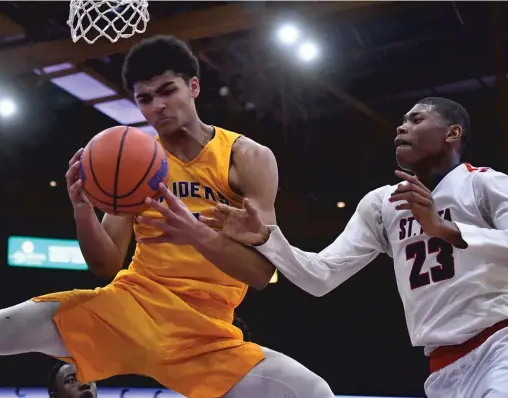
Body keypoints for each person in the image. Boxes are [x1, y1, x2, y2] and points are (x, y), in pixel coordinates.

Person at [0, 35, 334, 398]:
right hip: (131, 308)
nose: (157, 106)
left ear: (193, 86)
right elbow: (105, 264)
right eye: (144, 98)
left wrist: (194, 232)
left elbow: (262, 274)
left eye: (167, 91)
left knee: (313, 392)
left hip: (206, 332)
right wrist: (83, 210)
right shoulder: (138, 160)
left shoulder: (247, 158)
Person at [198, 97, 508, 398]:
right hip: (443, 368)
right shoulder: (383, 204)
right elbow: (321, 276)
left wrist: (444, 228)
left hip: (500, 347)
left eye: (416, 119)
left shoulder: (484, 185)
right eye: (401, 121)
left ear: (452, 133)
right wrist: (267, 238)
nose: (401, 128)